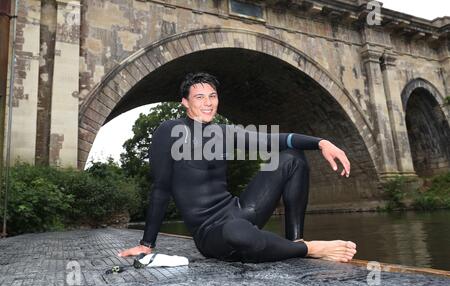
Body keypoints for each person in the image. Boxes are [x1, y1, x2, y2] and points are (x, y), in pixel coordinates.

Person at [119, 72, 357, 263]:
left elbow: (272, 140)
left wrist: (321, 143)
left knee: (292, 157)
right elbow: (161, 189)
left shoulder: (222, 132)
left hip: (240, 210)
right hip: (211, 232)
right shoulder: (168, 132)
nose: (208, 103)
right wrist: (146, 244)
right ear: (185, 102)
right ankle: (308, 249)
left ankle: (295, 240)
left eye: (212, 96)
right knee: (237, 232)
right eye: (199, 97)